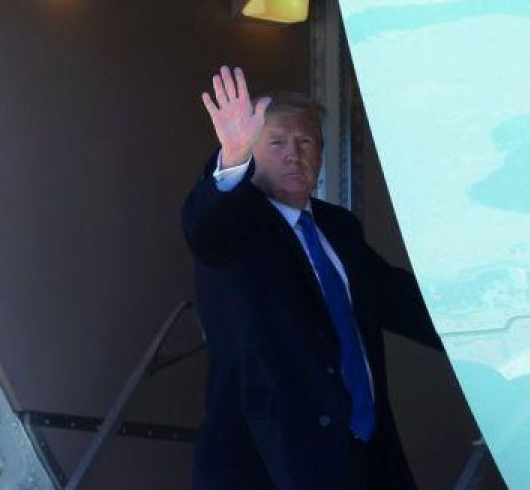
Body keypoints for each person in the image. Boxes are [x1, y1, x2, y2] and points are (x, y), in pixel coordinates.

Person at [181, 65, 443, 490]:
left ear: (321, 155)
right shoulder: (238, 222)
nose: (293, 154)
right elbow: (205, 230)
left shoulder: (339, 228)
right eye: (277, 142)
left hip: (362, 455)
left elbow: (399, 300)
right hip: (270, 464)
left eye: (305, 142)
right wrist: (231, 159)